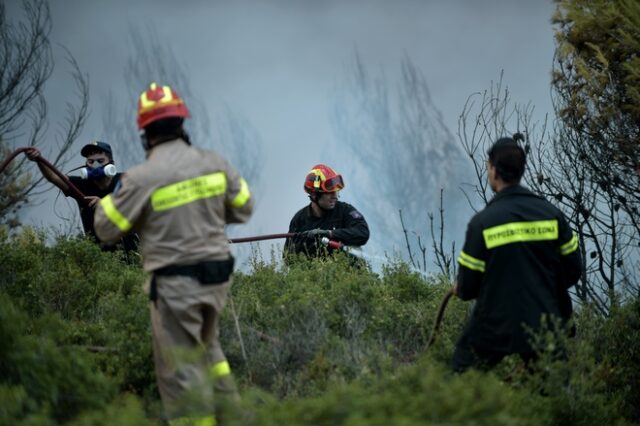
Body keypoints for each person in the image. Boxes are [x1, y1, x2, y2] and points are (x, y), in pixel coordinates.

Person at [93, 82, 254, 425]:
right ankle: (233, 416)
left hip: (175, 288)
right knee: (209, 351)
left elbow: (105, 229)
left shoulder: (141, 178)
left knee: (181, 375)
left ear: (145, 134)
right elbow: (243, 207)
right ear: (183, 125)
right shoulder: (215, 162)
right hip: (217, 281)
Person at [451, 133, 582, 373]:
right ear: (521, 170)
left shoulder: (482, 223)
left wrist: (462, 287)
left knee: (461, 374)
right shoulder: (552, 215)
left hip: (495, 324)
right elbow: (573, 269)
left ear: (492, 170)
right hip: (546, 321)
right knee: (553, 391)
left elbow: (467, 287)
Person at [25, 141, 139, 253]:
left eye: (100, 161)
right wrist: (38, 159)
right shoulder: (81, 185)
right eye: (91, 161)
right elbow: (54, 177)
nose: (95, 165)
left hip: (132, 254)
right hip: (99, 258)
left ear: (111, 164)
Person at [284, 163, 369, 260]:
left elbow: (363, 233)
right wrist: (306, 246)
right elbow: (287, 257)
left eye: (336, 191)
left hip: (349, 273)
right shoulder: (299, 220)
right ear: (314, 194)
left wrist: (330, 234)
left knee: (354, 249)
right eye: (329, 192)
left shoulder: (345, 211)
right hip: (316, 274)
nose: (335, 196)